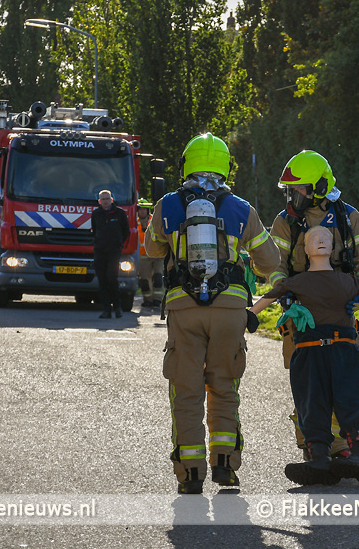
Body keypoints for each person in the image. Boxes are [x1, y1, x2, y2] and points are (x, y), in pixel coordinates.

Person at [144, 133, 280, 494]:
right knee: (224, 385)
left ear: (186, 165)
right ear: (225, 166)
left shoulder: (168, 205)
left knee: (186, 390)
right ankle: (225, 465)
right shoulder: (241, 208)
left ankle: (190, 473)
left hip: (183, 308)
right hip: (231, 309)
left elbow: (152, 248)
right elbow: (270, 262)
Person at [251, 226, 359, 485]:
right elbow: (268, 297)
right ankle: (318, 456)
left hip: (343, 351)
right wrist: (248, 315)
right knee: (311, 402)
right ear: (305, 250)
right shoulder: (294, 283)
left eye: (326, 239)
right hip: (308, 354)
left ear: (333, 249)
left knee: (351, 400)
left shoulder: (349, 281)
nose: (320, 241)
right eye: (313, 239)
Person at [270, 150, 359, 459]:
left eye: (299, 189)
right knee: (305, 384)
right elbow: (276, 264)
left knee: (344, 381)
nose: (293, 196)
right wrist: (284, 294)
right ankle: (312, 444)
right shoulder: (285, 221)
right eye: (290, 190)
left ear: (317, 187)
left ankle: (343, 447)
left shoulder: (348, 217)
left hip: (340, 314)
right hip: (300, 316)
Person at [91, 190, 130, 319]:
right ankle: (106, 310)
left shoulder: (120, 213)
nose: (105, 201)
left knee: (112, 279)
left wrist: (118, 244)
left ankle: (117, 308)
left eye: (107, 199)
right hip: (100, 250)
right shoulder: (96, 214)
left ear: (112, 200)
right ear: (99, 201)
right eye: (103, 199)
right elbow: (94, 230)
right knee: (102, 280)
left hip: (114, 251)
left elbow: (126, 231)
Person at [136, 200, 164, 308]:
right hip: (143, 256)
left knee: (158, 277)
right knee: (144, 281)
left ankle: (157, 299)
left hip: (157, 254)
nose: (142, 211)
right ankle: (147, 300)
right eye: (140, 209)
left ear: (147, 210)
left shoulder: (155, 220)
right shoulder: (135, 223)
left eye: (144, 209)